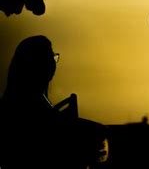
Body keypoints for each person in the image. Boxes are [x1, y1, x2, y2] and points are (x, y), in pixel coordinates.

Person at [0, 35, 107, 168]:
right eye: (49, 58)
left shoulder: (33, 98)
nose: (52, 64)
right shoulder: (24, 104)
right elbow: (46, 133)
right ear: (34, 63)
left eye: (53, 58)